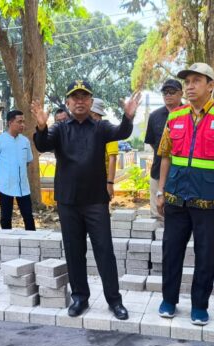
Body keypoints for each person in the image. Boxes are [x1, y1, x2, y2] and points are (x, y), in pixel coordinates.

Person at [31, 80, 141, 320]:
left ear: (91, 102)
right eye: (75, 97)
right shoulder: (59, 129)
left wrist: (128, 117)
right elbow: (42, 145)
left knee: (105, 251)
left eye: (84, 97)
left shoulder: (100, 127)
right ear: (68, 102)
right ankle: (80, 297)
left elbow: (121, 132)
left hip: (95, 202)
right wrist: (40, 126)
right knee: (74, 251)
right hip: (68, 201)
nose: (80, 101)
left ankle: (114, 300)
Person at [156, 63, 214, 325]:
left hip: (210, 202)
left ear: (210, 85)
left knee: (205, 256)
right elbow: (165, 156)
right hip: (175, 199)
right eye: (187, 81)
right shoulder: (174, 116)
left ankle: (199, 306)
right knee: (171, 252)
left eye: (197, 80)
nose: (190, 86)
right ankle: (169, 300)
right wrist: (161, 191)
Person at [0, 110, 36, 231]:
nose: (22, 125)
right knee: (6, 217)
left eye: (23, 122)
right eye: (19, 122)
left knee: (28, 216)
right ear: (10, 122)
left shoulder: (25, 141)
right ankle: (6, 243)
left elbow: (28, 161)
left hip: (23, 186)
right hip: (5, 185)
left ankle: (32, 242)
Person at [145, 79, 183, 220]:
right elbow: (151, 142)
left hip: (182, 174)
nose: (168, 95)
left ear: (181, 94)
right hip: (157, 171)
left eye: (172, 92)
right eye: (165, 92)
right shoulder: (154, 116)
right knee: (157, 215)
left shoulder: (189, 114)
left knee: (179, 215)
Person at [90, 98, 119, 200]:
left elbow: (113, 158)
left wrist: (110, 183)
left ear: (93, 113)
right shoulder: (88, 129)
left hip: (102, 180)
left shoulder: (108, 130)